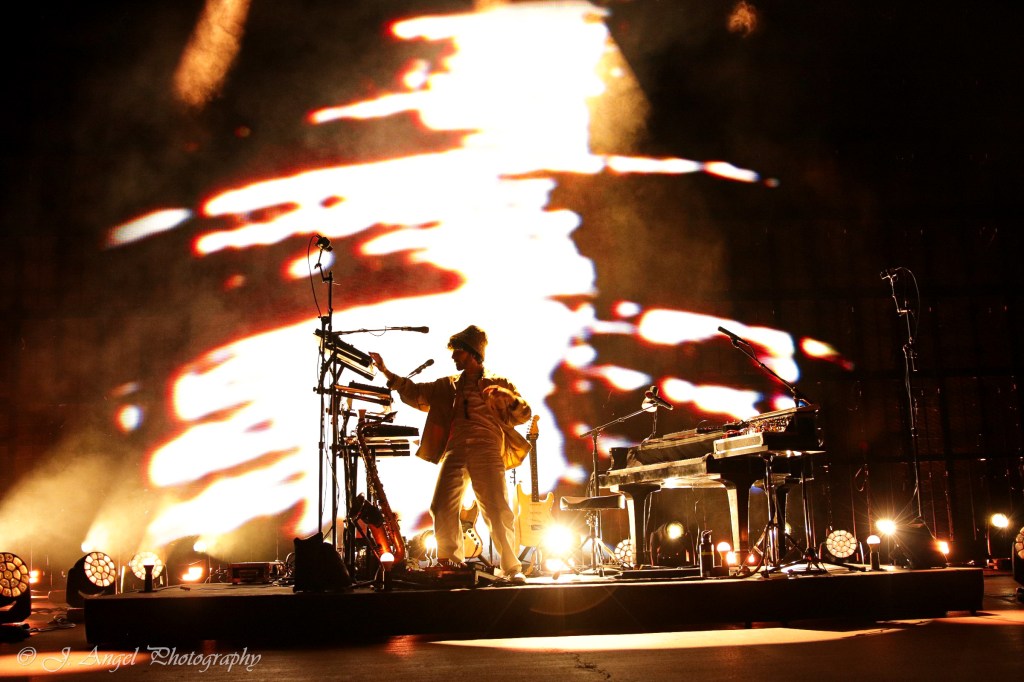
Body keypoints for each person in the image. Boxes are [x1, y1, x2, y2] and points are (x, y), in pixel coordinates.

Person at [369, 325, 532, 584]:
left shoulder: (499, 383)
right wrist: (387, 372)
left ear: (472, 352)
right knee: (441, 505)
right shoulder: (447, 385)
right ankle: (451, 562)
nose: (453, 357)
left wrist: (507, 397)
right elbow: (415, 392)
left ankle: (512, 568)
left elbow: (524, 414)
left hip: (487, 449)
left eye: (457, 352)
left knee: (497, 510)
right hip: (455, 449)